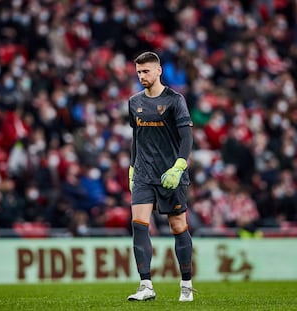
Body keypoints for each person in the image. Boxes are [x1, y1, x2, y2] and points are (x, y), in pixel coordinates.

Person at [127, 51, 195, 302]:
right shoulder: (134, 102)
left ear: (158, 71)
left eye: (145, 71)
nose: (142, 76)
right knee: (139, 225)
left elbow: (187, 136)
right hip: (144, 173)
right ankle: (146, 285)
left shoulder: (175, 100)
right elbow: (136, 137)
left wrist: (179, 166)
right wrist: (132, 167)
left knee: (178, 226)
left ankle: (186, 284)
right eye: (138, 72)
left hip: (170, 174)